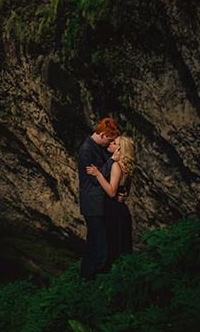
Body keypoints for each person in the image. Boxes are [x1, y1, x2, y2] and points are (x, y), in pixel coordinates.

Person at [77, 118, 121, 281]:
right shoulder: (87, 149)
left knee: (92, 248)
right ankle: (90, 285)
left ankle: (83, 282)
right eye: (109, 139)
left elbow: (102, 175)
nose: (110, 143)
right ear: (102, 135)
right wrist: (111, 160)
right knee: (101, 252)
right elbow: (95, 179)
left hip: (100, 204)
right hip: (93, 206)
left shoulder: (98, 147)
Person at [86, 135, 136, 273]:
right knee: (120, 246)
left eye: (114, 143)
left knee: (111, 246)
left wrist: (98, 174)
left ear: (120, 149)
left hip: (113, 210)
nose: (110, 143)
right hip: (121, 210)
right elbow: (125, 190)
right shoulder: (126, 166)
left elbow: (112, 192)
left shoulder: (116, 165)